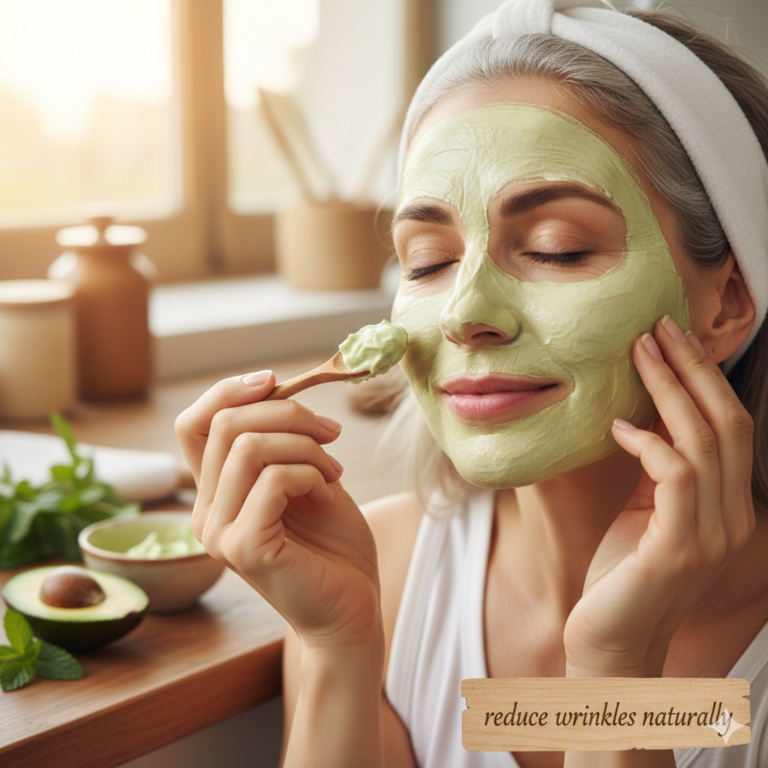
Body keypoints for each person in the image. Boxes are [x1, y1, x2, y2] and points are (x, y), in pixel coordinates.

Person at [174, 2, 768, 766]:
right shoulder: (373, 570)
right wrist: (336, 647)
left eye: (557, 249)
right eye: (425, 260)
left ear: (728, 301)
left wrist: (614, 672)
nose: (463, 315)